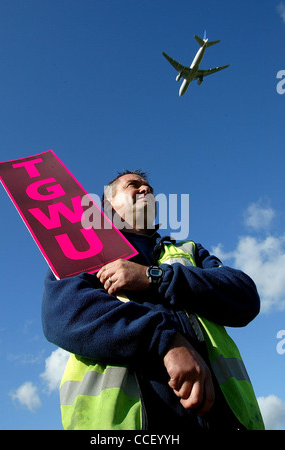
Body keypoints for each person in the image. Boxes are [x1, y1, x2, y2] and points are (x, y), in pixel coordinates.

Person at [41, 170, 264, 430]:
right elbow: (64, 313)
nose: (146, 190)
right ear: (107, 206)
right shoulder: (84, 248)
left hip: (225, 419)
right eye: (133, 185)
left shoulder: (189, 251)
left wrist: (153, 276)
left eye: (149, 187)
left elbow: (245, 296)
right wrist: (165, 340)